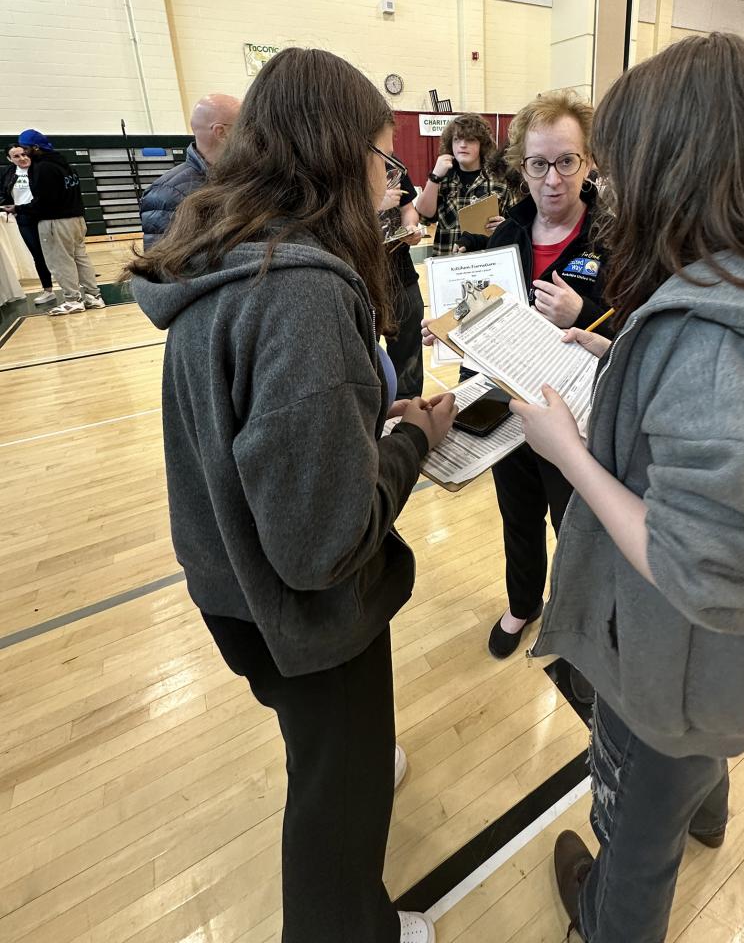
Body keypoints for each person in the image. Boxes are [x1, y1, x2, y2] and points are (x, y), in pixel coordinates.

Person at [508, 33, 744, 943]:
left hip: (673, 676)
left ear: (680, 163)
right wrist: (618, 355)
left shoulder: (717, 341)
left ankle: (606, 922)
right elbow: (724, 438)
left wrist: (569, 454)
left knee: (634, 843)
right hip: (741, 669)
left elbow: (702, 572)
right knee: (687, 782)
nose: (611, 190)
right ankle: (707, 810)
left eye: (622, 164)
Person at [126, 47, 456, 943]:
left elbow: (263, 436)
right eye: (381, 157)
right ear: (335, 153)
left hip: (229, 583)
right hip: (301, 614)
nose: (389, 179)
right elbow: (323, 543)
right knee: (336, 810)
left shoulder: (223, 251)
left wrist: (356, 428)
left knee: (326, 750)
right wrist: (409, 442)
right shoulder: (303, 296)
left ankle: (345, 761)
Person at [430, 91, 611, 663]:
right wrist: (449, 327)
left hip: (576, 418)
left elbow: (638, 337)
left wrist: (581, 315)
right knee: (518, 515)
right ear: (521, 167)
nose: (552, 179)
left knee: (575, 524)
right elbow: (482, 309)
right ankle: (523, 602)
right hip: (511, 412)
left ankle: (577, 615)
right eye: (538, 164)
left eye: (566, 162)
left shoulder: (614, 239)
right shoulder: (503, 235)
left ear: (588, 164)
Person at [17, 129, 105, 317]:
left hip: (55, 221)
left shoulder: (42, 168)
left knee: (60, 261)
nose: (24, 153)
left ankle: (72, 300)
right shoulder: (64, 163)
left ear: (35, 147)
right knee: (81, 257)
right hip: (76, 219)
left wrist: (20, 209)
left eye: (25, 148)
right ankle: (93, 296)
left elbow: (45, 201)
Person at [139, 93, 241, 248]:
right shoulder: (166, 194)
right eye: (244, 125)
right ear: (221, 132)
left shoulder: (239, 178)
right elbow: (160, 263)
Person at [414, 113, 509, 254]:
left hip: (486, 262)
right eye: (457, 139)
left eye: (470, 140)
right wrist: (434, 177)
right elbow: (424, 215)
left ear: (481, 144)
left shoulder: (499, 179)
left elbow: (517, 224)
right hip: (447, 260)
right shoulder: (442, 176)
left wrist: (504, 226)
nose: (463, 145)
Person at [379, 159, 425, 398]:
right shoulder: (341, 162)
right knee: (366, 357)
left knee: (409, 354)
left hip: (401, 274)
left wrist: (410, 228)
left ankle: (409, 416)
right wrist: (375, 203)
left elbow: (408, 208)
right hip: (360, 278)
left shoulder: (392, 164)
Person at [1, 144, 56, 305]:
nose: (22, 158)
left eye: (24, 154)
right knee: (38, 256)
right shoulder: (9, 173)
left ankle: (72, 287)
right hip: (24, 218)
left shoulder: (40, 169)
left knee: (57, 253)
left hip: (45, 216)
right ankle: (48, 290)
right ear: (9, 159)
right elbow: (4, 193)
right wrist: (8, 206)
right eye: (16, 156)